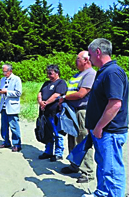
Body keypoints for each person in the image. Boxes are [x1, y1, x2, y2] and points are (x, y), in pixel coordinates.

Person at [82, 38, 128, 197]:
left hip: (110, 131)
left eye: (90, 54)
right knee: (102, 166)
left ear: (98, 52)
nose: (89, 57)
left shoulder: (113, 72)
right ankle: (102, 193)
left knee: (112, 170)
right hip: (101, 131)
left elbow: (115, 104)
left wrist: (99, 127)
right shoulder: (104, 71)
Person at [59, 51, 96, 183]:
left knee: (83, 140)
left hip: (83, 111)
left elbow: (81, 94)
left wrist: (64, 97)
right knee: (72, 138)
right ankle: (74, 165)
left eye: (78, 59)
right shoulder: (77, 75)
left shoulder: (91, 73)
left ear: (86, 60)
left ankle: (87, 172)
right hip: (71, 110)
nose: (75, 61)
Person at [37, 65, 67, 161]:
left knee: (57, 133)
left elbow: (56, 95)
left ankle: (58, 153)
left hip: (54, 112)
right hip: (44, 112)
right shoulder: (46, 83)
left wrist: (46, 103)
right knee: (47, 132)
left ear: (57, 73)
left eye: (50, 73)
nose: (48, 75)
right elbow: (40, 93)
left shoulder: (61, 83)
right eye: (48, 73)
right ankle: (48, 151)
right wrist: (41, 101)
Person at [0, 64, 22, 152]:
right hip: (3, 106)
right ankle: (6, 141)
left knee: (14, 126)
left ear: (10, 71)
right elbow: (2, 91)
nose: (3, 73)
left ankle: (17, 144)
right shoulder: (2, 79)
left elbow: (18, 93)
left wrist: (6, 92)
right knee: (4, 126)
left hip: (12, 106)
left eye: (5, 71)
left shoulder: (16, 79)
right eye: (3, 71)